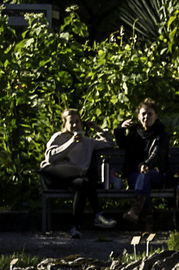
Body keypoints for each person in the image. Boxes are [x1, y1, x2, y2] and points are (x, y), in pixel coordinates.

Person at [103, 98, 169, 228]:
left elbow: (158, 153)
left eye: (150, 114)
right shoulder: (134, 132)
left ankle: (135, 211)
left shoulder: (162, 134)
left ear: (156, 116)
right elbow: (123, 144)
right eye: (143, 114)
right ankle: (147, 224)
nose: (146, 117)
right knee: (143, 183)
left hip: (156, 174)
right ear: (138, 116)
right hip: (134, 175)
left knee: (145, 175)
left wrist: (147, 164)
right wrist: (120, 129)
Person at [39, 108, 101, 238]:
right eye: (71, 122)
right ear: (64, 124)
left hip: (72, 180)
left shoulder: (87, 142)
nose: (75, 125)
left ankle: (77, 227)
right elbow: (50, 158)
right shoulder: (59, 137)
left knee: (82, 184)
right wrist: (72, 142)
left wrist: (97, 128)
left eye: (77, 122)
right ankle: (99, 213)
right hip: (54, 176)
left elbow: (109, 143)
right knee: (84, 174)